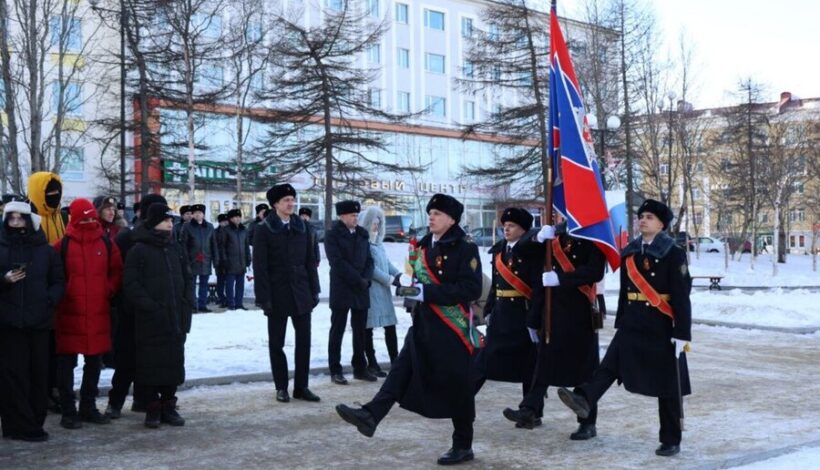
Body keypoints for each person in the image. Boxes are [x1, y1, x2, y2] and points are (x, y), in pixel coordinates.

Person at [336, 194, 483, 465]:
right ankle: (371, 415)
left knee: (458, 386)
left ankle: (463, 444)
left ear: (452, 218)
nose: (431, 217)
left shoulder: (465, 247)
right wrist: (411, 290)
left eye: (438, 213)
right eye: (430, 212)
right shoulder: (424, 244)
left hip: (452, 329)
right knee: (401, 370)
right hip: (424, 324)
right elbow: (416, 280)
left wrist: (427, 292)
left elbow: (471, 288)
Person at [557, 199, 692, 457]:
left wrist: (681, 333)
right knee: (609, 365)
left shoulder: (673, 253)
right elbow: (625, 293)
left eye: (649, 217)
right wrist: (621, 321)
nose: (643, 220)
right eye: (641, 216)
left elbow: (682, 294)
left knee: (668, 384)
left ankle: (670, 438)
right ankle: (584, 399)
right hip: (632, 321)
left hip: (661, 324)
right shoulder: (630, 252)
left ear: (662, 224)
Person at [502, 216, 606, 439]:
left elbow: (595, 271)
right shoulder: (554, 234)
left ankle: (587, 422)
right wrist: (537, 237)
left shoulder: (592, 234)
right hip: (552, 309)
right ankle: (529, 410)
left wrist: (562, 279)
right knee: (544, 361)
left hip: (579, 309)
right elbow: (522, 251)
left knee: (583, 366)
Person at [53, 199, 123, 429]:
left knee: (94, 364)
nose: (90, 222)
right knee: (65, 366)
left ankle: (88, 406)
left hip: (97, 313)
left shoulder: (107, 243)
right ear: (74, 219)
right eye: (85, 218)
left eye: (93, 217)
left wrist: (108, 289)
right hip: (68, 314)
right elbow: (54, 278)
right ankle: (68, 410)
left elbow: (116, 272)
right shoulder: (61, 246)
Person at [123, 203, 193, 428]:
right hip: (150, 319)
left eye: (171, 221)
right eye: (166, 220)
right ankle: (152, 408)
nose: (170, 224)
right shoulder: (138, 250)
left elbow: (187, 277)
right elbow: (131, 285)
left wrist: (186, 302)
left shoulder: (175, 248)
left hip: (176, 317)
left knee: (173, 363)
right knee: (151, 365)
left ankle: (169, 407)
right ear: (153, 222)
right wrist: (150, 307)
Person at [0, 201, 64, 442]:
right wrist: (4, 280)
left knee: (38, 376)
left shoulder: (45, 250)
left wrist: (49, 300)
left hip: (39, 323)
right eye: (12, 218)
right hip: (8, 324)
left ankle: (35, 422)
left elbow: (58, 280)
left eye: (20, 218)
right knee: (13, 377)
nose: (16, 222)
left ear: (29, 220)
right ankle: (17, 425)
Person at [253, 184, 321, 403]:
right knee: (277, 343)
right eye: (286, 200)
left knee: (304, 342)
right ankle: (281, 386)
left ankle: (301, 387)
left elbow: (310, 262)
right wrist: (264, 298)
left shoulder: (303, 227)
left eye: (292, 199)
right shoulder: (264, 229)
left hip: (301, 292)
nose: (291, 204)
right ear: (275, 204)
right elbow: (260, 267)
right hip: (277, 293)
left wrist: (314, 290)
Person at [473, 208, 542, 424]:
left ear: (523, 230)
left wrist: (534, 319)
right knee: (484, 359)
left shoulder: (532, 252)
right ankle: (462, 397)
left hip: (522, 312)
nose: (507, 229)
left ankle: (531, 413)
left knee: (529, 363)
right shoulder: (500, 251)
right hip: (502, 312)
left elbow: (538, 288)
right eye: (505, 225)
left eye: (511, 225)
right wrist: (489, 308)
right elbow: (495, 284)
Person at [105, 193, 168, 418]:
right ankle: (116, 402)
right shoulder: (127, 238)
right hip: (129, 308)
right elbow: (118, 272)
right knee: (127, 359)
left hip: (153, 309)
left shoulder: (166, 240)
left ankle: (144, 400)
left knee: (149, 359)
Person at [325, 200, 375, 384]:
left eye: (357, 215)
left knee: (360, 330)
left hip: (361, 288)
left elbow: (369, 260)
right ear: (342, 216)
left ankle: (360, 368)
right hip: (342, 288)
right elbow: (337, 262)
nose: (356, 218)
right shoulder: (332, 235)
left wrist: (366, 279)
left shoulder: (362, 234)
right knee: (337, 329)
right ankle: (335, 369)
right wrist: (358, 279)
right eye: (352, 215)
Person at [358, 206, 400, 378]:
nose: (376, 226)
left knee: (390, 326)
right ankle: (372, 362)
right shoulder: (364, 244)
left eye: (379, 223)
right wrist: (389, 280)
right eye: (374, 223)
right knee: (368, 329)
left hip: (383, 292)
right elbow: (372, 269)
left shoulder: (379, 243)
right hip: (371, 292)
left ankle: (396, 361)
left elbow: (386, 263)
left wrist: (398, 275)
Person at [180, 204, 219, 313]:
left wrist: (216, 259)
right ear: (192, 215)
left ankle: (202, 304)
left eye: (200, 213)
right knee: (191, 285)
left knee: (204, 284)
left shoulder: (210, 227)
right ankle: (193, 305)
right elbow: (183, 245)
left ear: (203, 214)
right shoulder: (187, 226)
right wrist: (185, 260)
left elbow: (214, 244)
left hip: (206, 259)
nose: (198, 215)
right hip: (192, 260)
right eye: (195, 213)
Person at [221, 208, 251, 310]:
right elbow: (222, 247)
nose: (238, 219)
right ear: (230, 219)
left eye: (239, 217)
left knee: (240, 285)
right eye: (235, 217)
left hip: (241, 262)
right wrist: (224, 261)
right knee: (229, 285)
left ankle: (239, 303)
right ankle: (231, 304)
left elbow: (246, 246)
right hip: (230, 262)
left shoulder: (244, 230)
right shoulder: (226, 230)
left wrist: (248, 259)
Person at [214, 213, 229, 308]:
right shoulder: (215, 232)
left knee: (228, 281)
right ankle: (221, 298)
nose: (225, 223)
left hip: (229, 259)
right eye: (223, 222)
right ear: (220, 222)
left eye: (226, 221)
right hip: (219, 260)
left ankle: (227, 299)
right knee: (220, 281)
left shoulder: (230, 231)